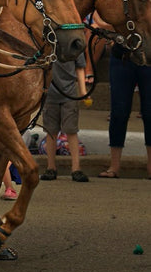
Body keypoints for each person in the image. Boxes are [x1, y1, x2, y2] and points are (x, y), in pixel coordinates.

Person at [98, 41, 151, 179]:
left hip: (148, 56)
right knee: (119, 111)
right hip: (122, 57)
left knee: (150, 112)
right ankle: (114, 166)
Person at [39, 54, 89, 182]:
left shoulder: (74, 46)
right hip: (50, 94)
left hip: (69, 94)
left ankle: (76, 168)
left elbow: (80, 67)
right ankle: (51, 167)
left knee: (71, 131)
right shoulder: (48, 45)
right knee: (51, 131)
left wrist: (83, 91)